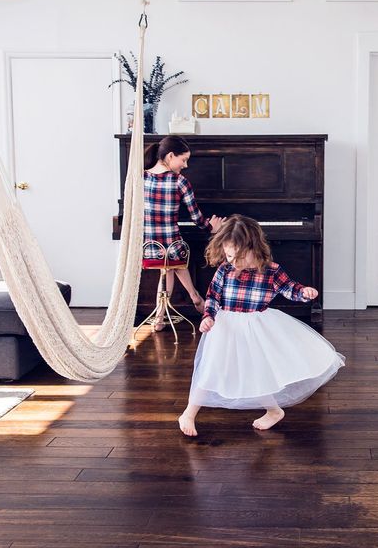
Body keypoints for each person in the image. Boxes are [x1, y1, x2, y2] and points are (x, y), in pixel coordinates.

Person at [178, 214, 345, 436]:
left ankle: (274, 411)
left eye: (239, 256)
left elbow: (290, 289)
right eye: (229, 256)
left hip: (254, 330)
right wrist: (208, 316)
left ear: (254, 248)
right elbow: (213, 297)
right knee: (210, 368)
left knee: (256, 373)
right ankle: (189, 413)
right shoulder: (225, 271)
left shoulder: (271, 271)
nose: (233, 261)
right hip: (225, 328)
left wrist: (304, 293)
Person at [144, 136, 224, 330]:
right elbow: (196, 218)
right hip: (172, 249)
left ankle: (161, 316)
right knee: (172, 259)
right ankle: (194, 298)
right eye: (184, 159)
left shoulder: (141, 178)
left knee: (168, 266)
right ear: (170, 156)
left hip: (147, 249)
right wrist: (211, 228)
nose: (186, 165)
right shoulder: (180, 182)